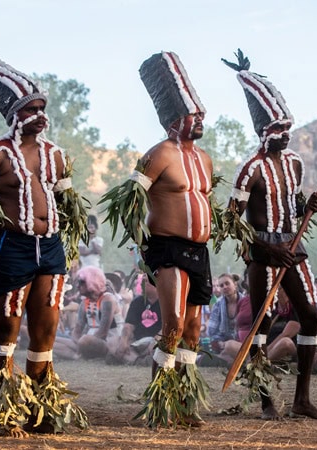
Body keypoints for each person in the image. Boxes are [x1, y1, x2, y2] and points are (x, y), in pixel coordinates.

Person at [0, 33, 88, 436]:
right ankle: (7, 409)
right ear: (14, 112)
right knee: (7, 330)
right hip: (9, 248)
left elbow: (67, 202)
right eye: (32, 108)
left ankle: (40, 411)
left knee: (45, 330)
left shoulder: (56, 154)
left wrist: (70, 239)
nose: (40, 115)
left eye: (42, 107)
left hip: (52, 248)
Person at [103, 51, 212, 428]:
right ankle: (158, 404)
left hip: (199, 251)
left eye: (201, 113)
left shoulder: (205, 159)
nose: (200, 119)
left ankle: (184, 404)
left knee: (194, 330)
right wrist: (140, 248)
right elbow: (130, 200)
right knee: (173, 326)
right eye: (193, 114)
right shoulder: (160, 153)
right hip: (166, 248)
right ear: (173, 120)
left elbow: (202, 201)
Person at [223, 50, 317, 420]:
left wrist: (307, 206)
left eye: (286, 129)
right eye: (276, 130)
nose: (283, 136)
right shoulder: (248, 170)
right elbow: (230, 222)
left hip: (293, 246)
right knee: (261, 326)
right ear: (261, 132)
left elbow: (292, 206)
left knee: (311, 317)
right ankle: (266, 400)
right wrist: (263, 248)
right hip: (262, 252)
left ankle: (302, 398)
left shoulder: (295, 162)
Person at [54, 266, 120, 360]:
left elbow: (102, 333)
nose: (77, 286)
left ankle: (80, 353)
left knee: (85, 340)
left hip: (109, 342)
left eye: (81, 283)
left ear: (92, 282)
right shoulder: (84, 303)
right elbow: (77, 331)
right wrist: (79, 342)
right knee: (48, 341)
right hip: (86, 342)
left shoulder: (107, 300)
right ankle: (77, 357)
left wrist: (82, 343)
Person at [107, 276, 161, 366]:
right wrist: (123, 341)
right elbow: (129, 325)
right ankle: (140, 361)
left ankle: (132, 360)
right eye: (141, 281)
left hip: (155, 342)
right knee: (113, 342)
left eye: (146, 282)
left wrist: (156, 342)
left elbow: (169, 328)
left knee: (162, 349)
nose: (141, 284)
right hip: (136, 342)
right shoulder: (137, 301)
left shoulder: (167, 303)